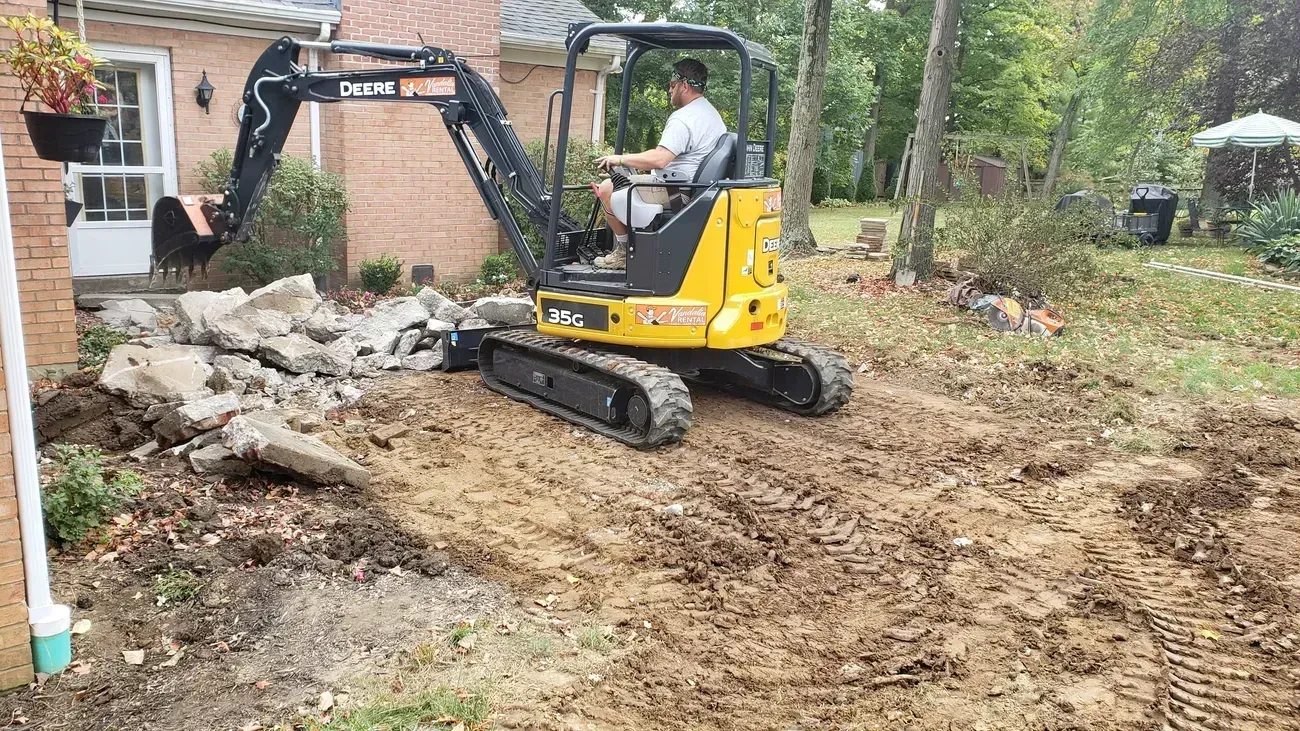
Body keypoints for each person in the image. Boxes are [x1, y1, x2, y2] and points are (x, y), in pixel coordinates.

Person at [591, 58, 727, 270]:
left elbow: (660, 159)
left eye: (672, 84)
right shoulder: (712, 115)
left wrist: (619, 159)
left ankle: (624, 253)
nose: (669, 89)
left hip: (676, 193)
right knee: (624, 180)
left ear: (685, 85)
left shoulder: (683, 119)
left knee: (608, 187)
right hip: (694, 189)